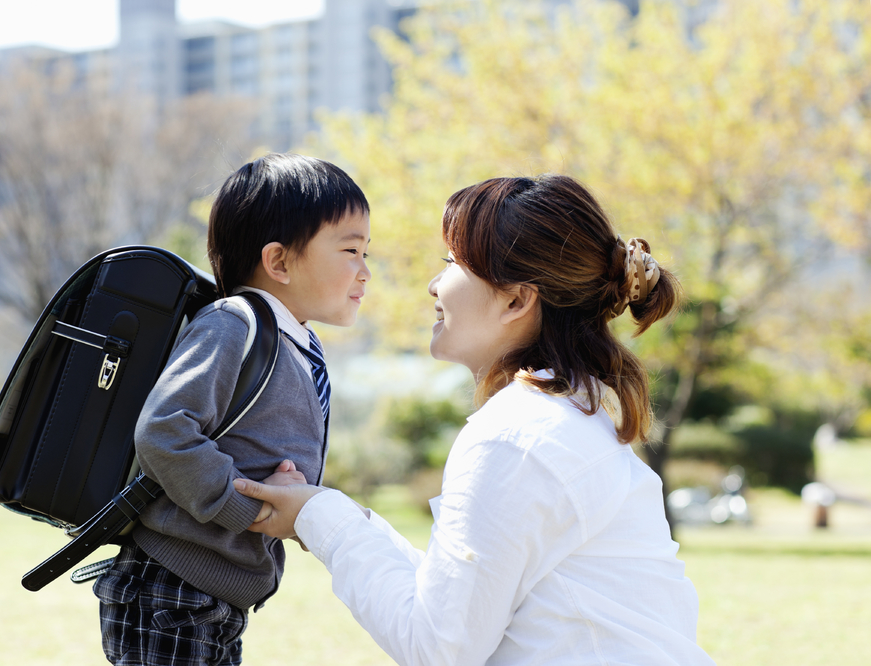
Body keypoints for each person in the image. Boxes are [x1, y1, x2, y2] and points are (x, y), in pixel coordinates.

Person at [235, 175, 715, 665]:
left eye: (451, 263)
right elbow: (459, 602)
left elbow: (437, 648)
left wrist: (317, 518)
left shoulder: (515, 438)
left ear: (516, 300)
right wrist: (328, 512)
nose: (434, 284)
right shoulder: (566, 415)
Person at [92, 153, 372, 666]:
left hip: (216, 594)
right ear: (280, 262)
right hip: (171, 588)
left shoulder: (297, 343)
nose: (365, 271)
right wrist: (251, 510)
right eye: (351, 250)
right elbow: (164, 431)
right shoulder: (235, 323)